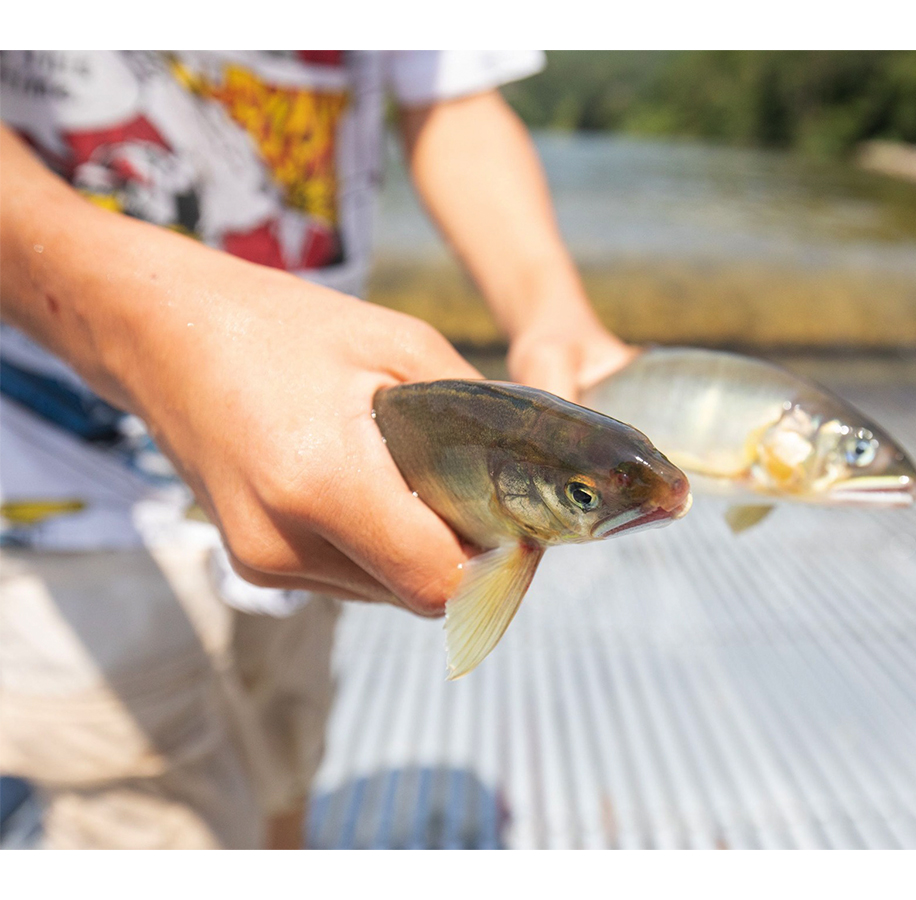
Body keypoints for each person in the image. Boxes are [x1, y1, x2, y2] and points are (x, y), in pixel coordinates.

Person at [0, 50, 633, 849]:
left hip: (331, 465)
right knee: (145, 810)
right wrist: (140, 329)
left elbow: (450, 101)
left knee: (284, 758)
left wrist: (551, 309)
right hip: (60, 501)